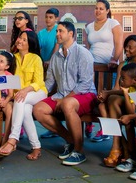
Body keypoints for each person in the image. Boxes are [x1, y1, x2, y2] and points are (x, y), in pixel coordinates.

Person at [33, 21, 97, 166]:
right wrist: (34, 94)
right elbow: (49, 82)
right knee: (38, 109)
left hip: (86, 95)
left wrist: (65, 99)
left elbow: (86, 83)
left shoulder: (83, 53)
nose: (57, 34)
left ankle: (79, 151)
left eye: (60, 31)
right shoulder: (56, 57)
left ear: (71, 34)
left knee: (67, 104)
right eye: (57, 31)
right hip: (62, 95)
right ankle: (70, 139)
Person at [97, 35, 136, 168]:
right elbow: (118, 88)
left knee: (111, 100)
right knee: (102, 105)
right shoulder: (123, 65)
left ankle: (118, 148)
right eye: (126, 46)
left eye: (130, 47)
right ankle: (122, 146)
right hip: (122, 104)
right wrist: (106, 94)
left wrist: (109, 93)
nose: (126, 49)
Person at [0, 31, 47, 161]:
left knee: (20, 99)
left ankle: (12, 139)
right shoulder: (13, 58)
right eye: (20, 38)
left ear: (30, 44)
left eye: (24, 40)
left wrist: (25, 90)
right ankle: (36, 147)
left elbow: (39, 82)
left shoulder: (35, 58)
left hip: (37, 92)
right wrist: (5, 96)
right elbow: (8, 78)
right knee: (24, 111)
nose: (20, 41)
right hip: (20, 95)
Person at [85, 0, 124, 141]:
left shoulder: (113, 23)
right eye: (96, 8)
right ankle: (89, 123)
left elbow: (119, 43)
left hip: (109, 67)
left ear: (107, 10)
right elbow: (88, 47)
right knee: (90, 96)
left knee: (105, 98)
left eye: (101, 8)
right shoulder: (89, 26)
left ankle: (105, 130)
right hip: (92, 67)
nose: (98, 11)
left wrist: (115, 58)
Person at [37, 7, 61, 139]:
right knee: (46, 94)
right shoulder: (41, 33)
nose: (48, 19)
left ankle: (56, 126)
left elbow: (57, 47)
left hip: (56, 65)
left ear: (56, 18)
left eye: (51, 17)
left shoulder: (58, 30)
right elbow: (37, 48)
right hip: (44, 67)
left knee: (55, 95)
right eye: (46, 17)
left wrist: (50, 60)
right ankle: (51, 126)